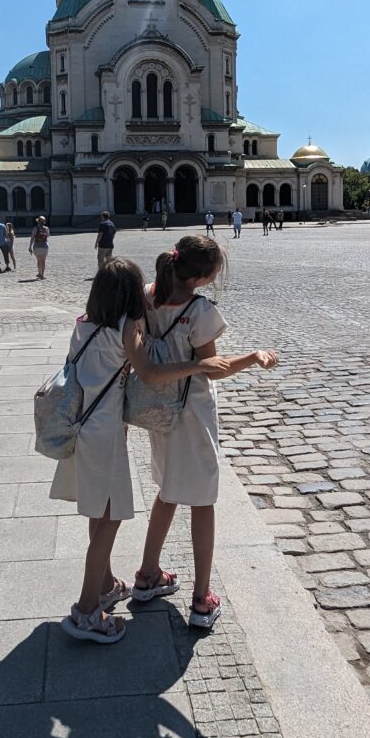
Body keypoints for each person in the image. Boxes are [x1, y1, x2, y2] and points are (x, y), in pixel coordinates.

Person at [50, 257, 231, 644]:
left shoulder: (82, 323)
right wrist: (196, 365)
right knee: (111, 518)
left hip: (80, 425)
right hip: (105, 433)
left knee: (98, 513)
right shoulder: (125, 327)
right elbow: (148, 373)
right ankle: (86, 611)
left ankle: (105, 586)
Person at [132, 236, 279, 629]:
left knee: (166, 491)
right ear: (200, 277)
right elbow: (213, 366)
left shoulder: (148, 295)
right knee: (202, 501)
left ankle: (147, 576)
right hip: (192, 414)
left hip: (158, 410)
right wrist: (253, 357)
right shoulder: (199, 310)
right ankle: (201, 599)